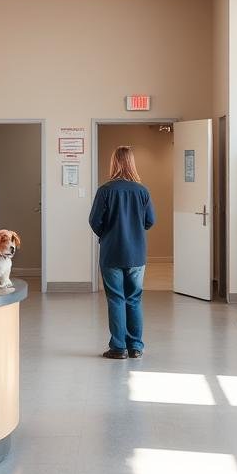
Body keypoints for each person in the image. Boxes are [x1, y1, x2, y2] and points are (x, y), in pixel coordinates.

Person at [89, 146, 155, 359]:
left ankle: (118, 348)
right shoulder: (142, 191)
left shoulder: (105, 190)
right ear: (132, 163)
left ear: (114, 163)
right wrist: (135, 231)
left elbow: (94, 221)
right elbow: (150, 221)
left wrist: (106, 234)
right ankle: (135, 346)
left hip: (111, 252)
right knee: (134, 298)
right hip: (136, 253)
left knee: (116, 299)